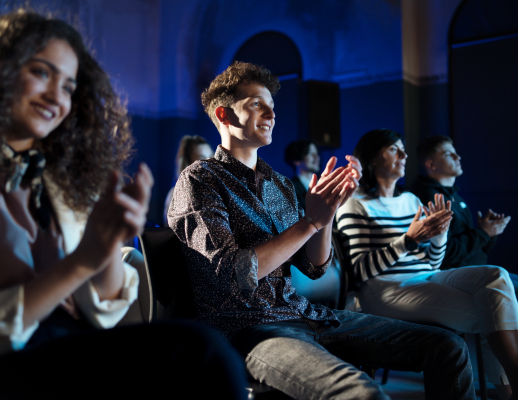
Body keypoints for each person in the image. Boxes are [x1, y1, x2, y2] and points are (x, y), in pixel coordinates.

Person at [0, 10, 248, 400]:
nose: (56, 96)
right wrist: (80, 262)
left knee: (208, 350)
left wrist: (108, 245)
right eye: (41, 73)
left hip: (72, 344)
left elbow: (106, 310)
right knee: (200, 353)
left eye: (68, 86)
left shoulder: (62, 180)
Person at [168, 61, 476, 400]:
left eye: (272, 105)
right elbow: (232, 275)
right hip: (250, 328)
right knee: (361, 393)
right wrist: (309, 223)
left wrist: (326, 216)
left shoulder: (279, 184)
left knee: (448, 346)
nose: (271, 113)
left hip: (304, 314)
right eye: (257, 103)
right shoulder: (200, 179)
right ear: (224, 115)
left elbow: (314, 267)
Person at [336, 128, 518, 400]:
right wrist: (408, 240)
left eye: (403, 149)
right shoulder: (354, 204)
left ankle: (510, 389)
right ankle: (511, 387)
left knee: (496, 276)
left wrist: (439, 235)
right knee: (493, 309)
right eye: (394, 149)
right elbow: (362, 272)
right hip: (385, 289)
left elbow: (432, 262)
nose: (404, 154)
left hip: (425, 276)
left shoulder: (410, 200)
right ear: (373, 158)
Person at [412, 135, 513, 272]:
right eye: (448, 154)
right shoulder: (430, 198)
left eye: (455, 153)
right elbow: (445, 254)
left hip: (477, 271)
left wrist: (490, 231)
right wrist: (483, 232)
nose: (457, 157)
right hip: (456, 277)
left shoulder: (456, 198)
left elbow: (478, 250)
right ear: (431, 165)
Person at [163, 135, 214, 225]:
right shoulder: (177, 194)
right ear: (188, 164)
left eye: (211, 157)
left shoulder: (217, 192)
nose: (209, 163)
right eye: (202, 159)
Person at [284, 138, 320, 210]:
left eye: (316, 153)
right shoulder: (290, 188)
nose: (316, 157)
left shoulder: (323, 183)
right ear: (297, 160)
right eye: (310, 153)